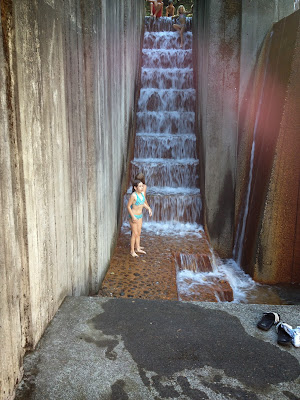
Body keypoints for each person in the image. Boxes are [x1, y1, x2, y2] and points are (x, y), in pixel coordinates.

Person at [127, 179, 152, 257]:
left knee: (139, 233)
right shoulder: (133, 196)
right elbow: (128, 206)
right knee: (134, 234)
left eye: (142, 186)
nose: (142, 188)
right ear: (135, 187)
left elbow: (142, 203)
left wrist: (148, 208)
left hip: (140, 216)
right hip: (133, 216)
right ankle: (132, 251)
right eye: (140, 186)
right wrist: (133, 217)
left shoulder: (141, 194)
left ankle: (138, 248)